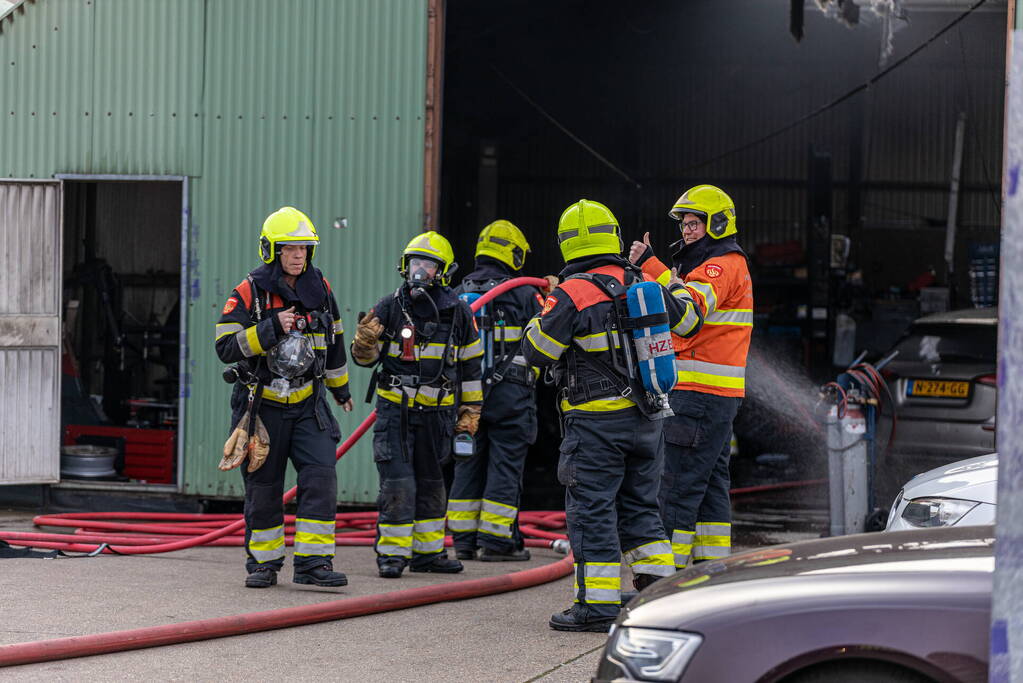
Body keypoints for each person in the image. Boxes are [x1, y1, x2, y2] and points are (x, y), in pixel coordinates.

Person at [522, 199, 704, 632]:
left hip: (596, 425)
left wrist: (540, 311)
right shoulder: (641, 281)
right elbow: (691, 321)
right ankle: (657, 597)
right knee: (642, 507)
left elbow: (537, 351)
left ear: (567, 243)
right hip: (649, 420)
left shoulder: (571, 293)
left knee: (592, 509)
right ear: (614, 236)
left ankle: (597, 606)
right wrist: (670, 281)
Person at [215, 206, 353, 589]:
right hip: (263, 407)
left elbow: (336, 341)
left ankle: (314, 564)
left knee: (321, 476)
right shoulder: (248, 292)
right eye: (290, 248)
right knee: (264, 486)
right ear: (271, 250)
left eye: (304, 249)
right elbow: (226, 346)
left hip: (309, 404)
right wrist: (270, 327)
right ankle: (264, 563)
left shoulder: (321, 290)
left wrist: (340, 389)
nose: (298, 256)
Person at [629, 185, 753, 568]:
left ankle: (664, 579)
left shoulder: (719, 266)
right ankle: (711, 572)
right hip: (715, 398)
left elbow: (686, 318)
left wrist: (651, 268)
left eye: (695, 222)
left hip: (697, 396)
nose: (687, 230)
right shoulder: (713, 265)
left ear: (717, 223)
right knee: (711, 486)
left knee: (677, 486)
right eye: (684, 223)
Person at [350, 231, 483, 579]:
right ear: (404, 267)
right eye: (414, 264)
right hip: (397, 412)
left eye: (427, 265)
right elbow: (364, 359)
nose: (419, 271)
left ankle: (429, 553)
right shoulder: (390, 306)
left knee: (432, 482)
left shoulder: (458, 313)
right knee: (398, 482)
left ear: (444, 272)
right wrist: (364, 343)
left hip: (438, 415)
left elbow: (471, 368)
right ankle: (392, 555)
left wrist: (470, 412)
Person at [446, 220, 552, 562]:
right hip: (511, 397)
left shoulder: (459, 293)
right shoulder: (524, 293)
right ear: (513, 253)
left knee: (467, 464)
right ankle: (497, 543)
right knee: (505, 466)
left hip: (468, 397)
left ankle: (463, 541)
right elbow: (549, 337)